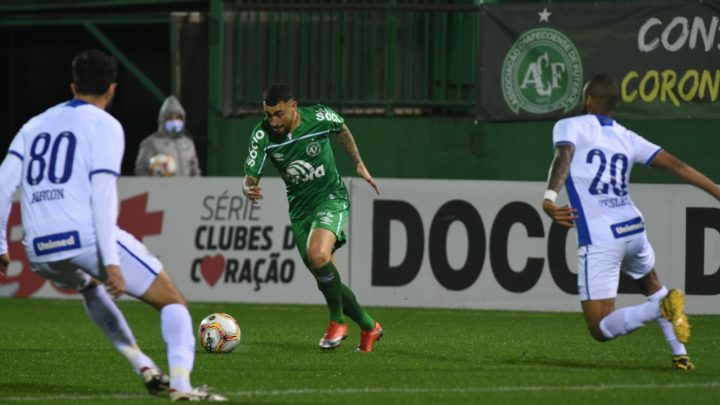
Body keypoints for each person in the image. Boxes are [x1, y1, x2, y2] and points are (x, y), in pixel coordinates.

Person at [0, 49, 225, 401]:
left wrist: (0, 244)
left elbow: (2, 181)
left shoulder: (34, 124)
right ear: (112, 90)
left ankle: (143, 365)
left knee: (90, 288)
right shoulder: (105, 125)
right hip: (83, 236)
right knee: (172, 301)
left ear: (73, 85)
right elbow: (104, 194)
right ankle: (182, 386)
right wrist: (111, 261)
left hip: (38, 248)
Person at [542, 73, 720, 371]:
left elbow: (564, 155)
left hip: (601, 237)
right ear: (613, 106)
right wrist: (716, 190)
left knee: (600, 327)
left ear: (587, 100)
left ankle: (659, 311)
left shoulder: (569, 125)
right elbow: (676, 165)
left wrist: (549, 197)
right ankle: (681, 354)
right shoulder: (627, 136)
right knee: (652, 285)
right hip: (632, 229)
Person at [242, 83, 383, 352]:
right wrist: (249, 189)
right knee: (325, 275)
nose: (273, 121)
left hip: (331, 197)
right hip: (300, 210)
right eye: (268, 114)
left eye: (278, 114)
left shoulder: (319, 117)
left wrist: (358, 162)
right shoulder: (262, 135)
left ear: (294, 107)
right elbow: (249, 179)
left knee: (318, 255)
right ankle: (369, 326)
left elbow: (341, 129)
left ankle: (337, 322)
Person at [135, 95, 201, 177]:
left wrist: (196, 187)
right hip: (160, 189)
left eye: (178, 117)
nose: (175, 120)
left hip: (186, 189)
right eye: (170, 117)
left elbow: (195, 171)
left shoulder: (188, 144)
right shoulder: (150, 143)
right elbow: (141, 171)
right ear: (162, 119)